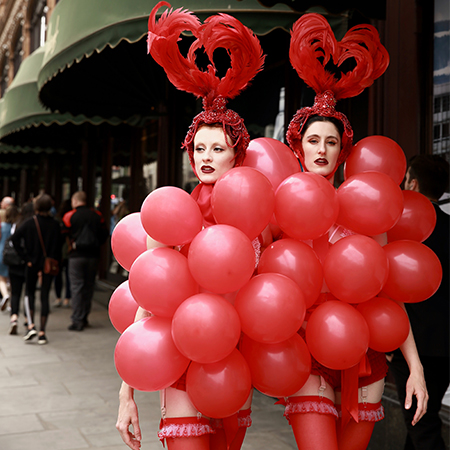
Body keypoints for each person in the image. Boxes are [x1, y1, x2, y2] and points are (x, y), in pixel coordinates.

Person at [116, 4, 264, 450]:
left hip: (235, 361)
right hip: (180, 358)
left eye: (217, 148)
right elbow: (147, 295)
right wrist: (126, 394)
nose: (205, 156)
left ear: (235, 155)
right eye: (199, 147)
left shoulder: (257, 213)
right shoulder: (173, 212)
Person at [279, 13, 428, 450]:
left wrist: (415, 367)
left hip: (365, 354)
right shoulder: (279, 211)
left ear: (342, 152)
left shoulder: (362, 211)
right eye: (313, 141)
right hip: (306, 354)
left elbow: (389, 292)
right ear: (298, 147)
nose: (321, 150)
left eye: (330, 142)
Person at [388, 155, 449, 450]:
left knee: (422, 427)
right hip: (445, 346)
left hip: (411, 343)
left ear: (412, 183)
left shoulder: (397, 228)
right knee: (423, 417)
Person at [11, 194, 62, 344]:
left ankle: (31, 325)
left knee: (29, 293)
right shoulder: (55, 224)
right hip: (48, 264)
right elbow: (59, 246)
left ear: (36, 206)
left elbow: (14, 240)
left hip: (32, 264)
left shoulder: (30, 223)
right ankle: (42, 332)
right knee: (45, 295)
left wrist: (26, 258)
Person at [62, 191, 108, 331]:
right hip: (93, 255)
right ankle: (84, 317)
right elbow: (105, 233)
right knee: (89, 286)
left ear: (75, 201)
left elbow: (63, 233)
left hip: (76, 255)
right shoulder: (97, 215)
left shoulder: (70, 215)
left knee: (77, 287)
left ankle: (77, 320)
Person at [7, 202, 34, 335]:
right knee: (28, 293)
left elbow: (12, 240)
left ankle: (14, 318)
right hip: (28, 264)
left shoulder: (16, 224)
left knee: (15, 292)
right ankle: (28, 320)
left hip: (15, 262)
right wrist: (27, 257)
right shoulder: (33, 224)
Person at [53, 199, 73, 308]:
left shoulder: (57, 220)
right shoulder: (72, 219)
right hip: (69, 251)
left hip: (58, 251)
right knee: (69, 276)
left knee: (58, 275)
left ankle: (58, 297)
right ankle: (67, 298)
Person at [0, 204, 14, 311]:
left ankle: (5, 295)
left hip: (1, 252)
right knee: (12, 278)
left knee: (1, 278)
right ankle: (12, 304)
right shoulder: (14, 226)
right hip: (13, 253)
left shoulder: (2, 227)